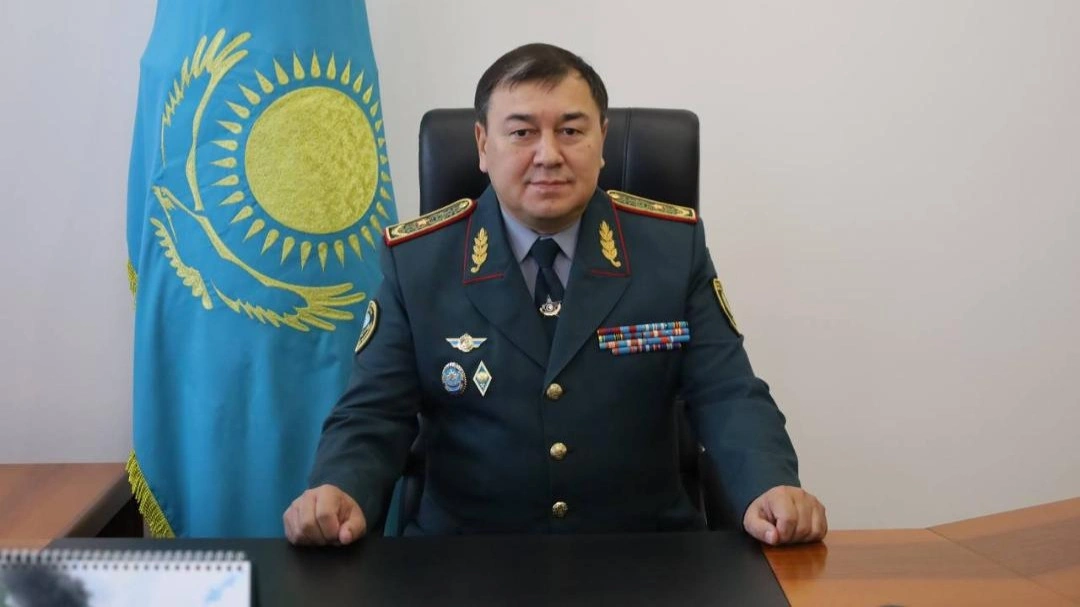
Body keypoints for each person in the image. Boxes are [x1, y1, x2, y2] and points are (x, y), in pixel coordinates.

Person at [284, 42, 827, 546]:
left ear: (601, 140)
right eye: (522, 132)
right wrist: (341, 486)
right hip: (467, 559)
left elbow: (727, 391)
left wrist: (768, 485)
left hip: (641, 554)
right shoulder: (419, 262)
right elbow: (373, 413)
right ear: (482, 145)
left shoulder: (669, 247)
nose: (548, 154)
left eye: (570, 131)